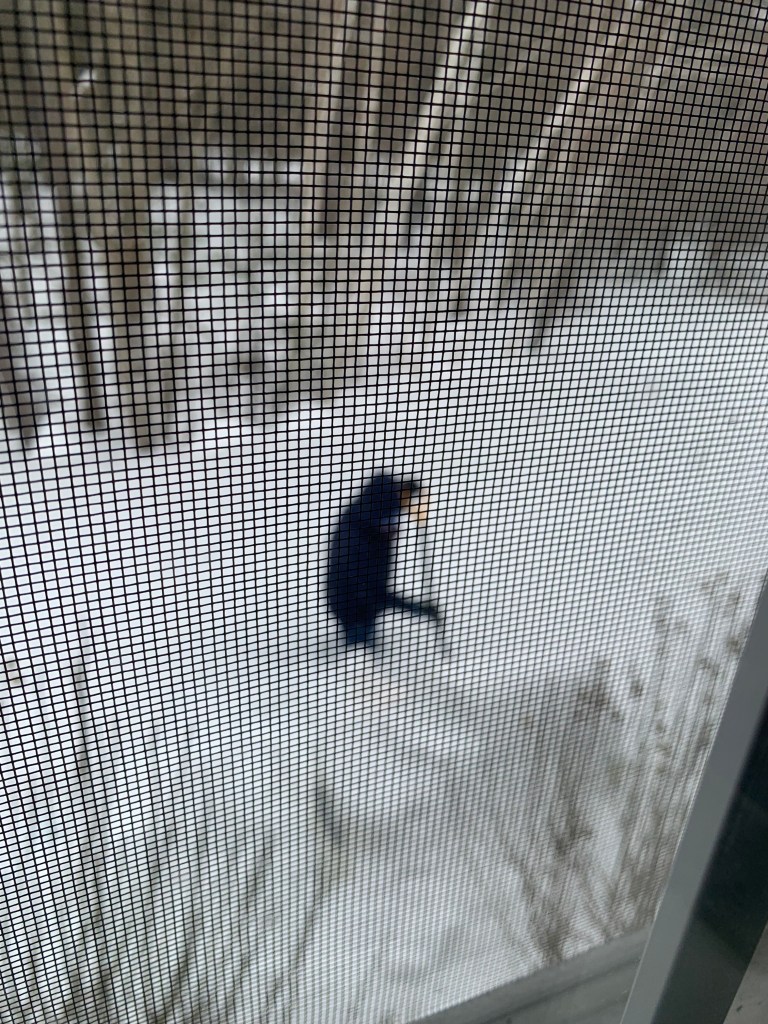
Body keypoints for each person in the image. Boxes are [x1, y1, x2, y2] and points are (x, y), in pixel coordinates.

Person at [327, 473, 440, 647]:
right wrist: (419, 609)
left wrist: (406, 491)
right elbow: (375, 593)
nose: (396, 531)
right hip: (353, 607)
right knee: (360, 652)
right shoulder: (362, 542)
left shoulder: (368, 513)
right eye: (392, 524)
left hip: (358, 602)